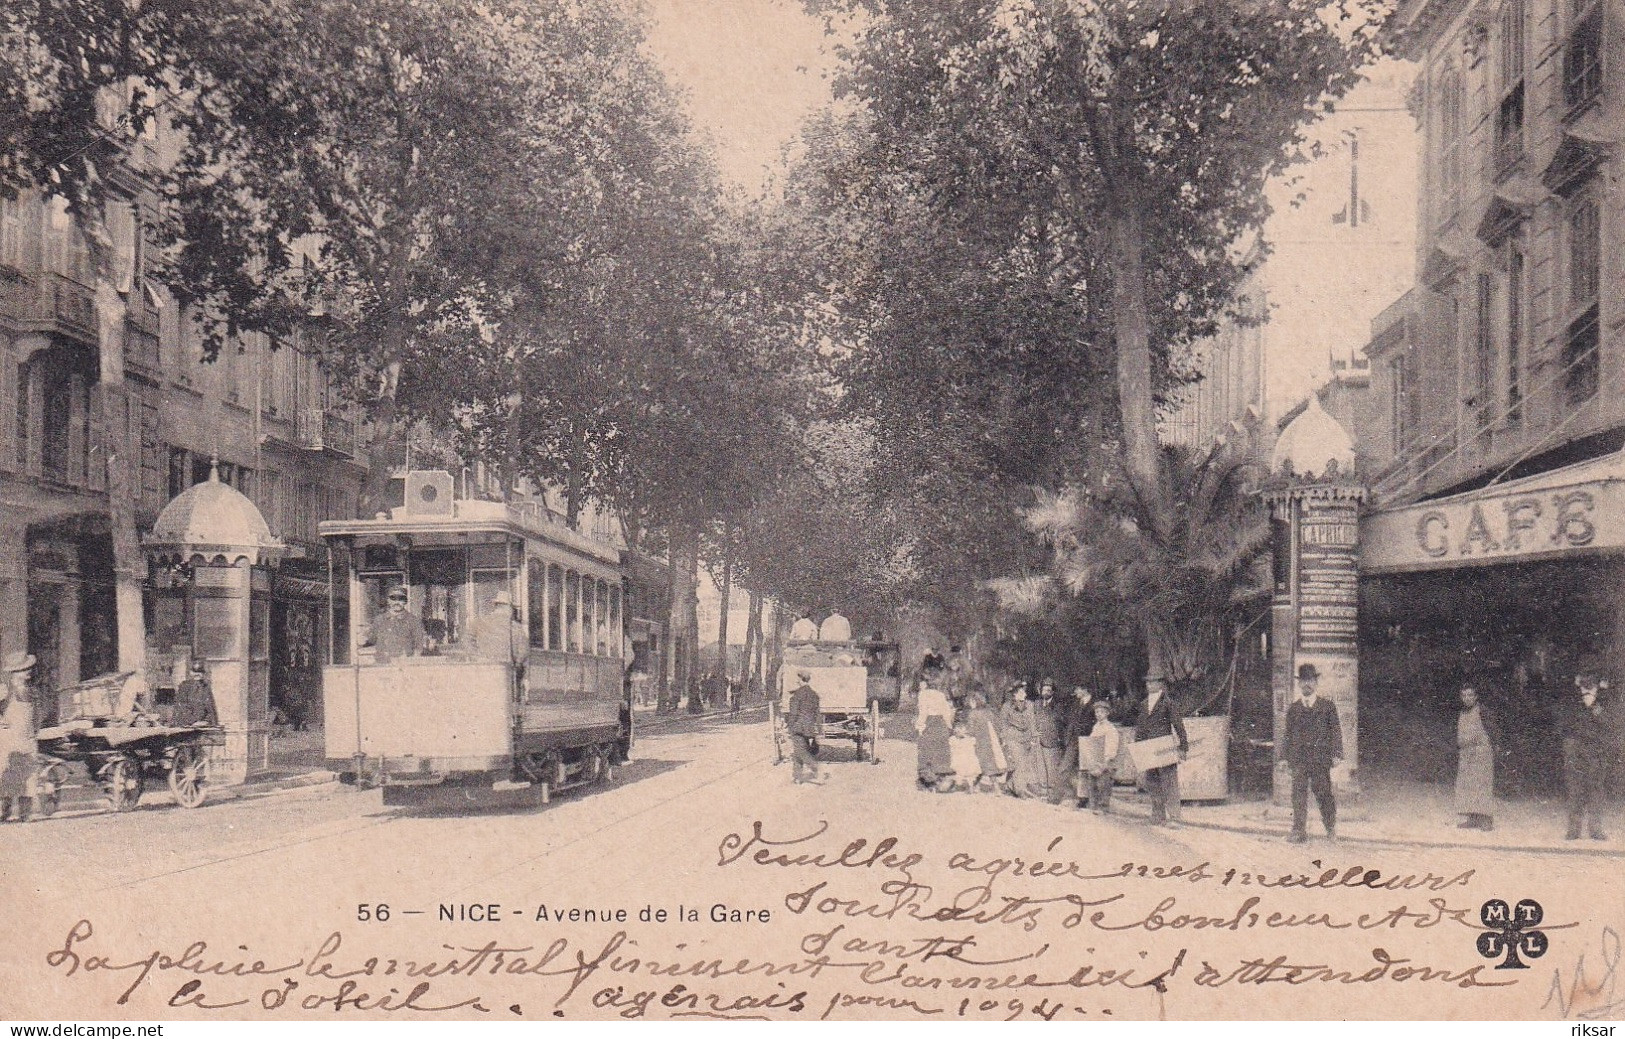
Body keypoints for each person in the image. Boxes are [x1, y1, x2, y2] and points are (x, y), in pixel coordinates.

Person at [1281, 662, 1342, 843]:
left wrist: (1337, 753)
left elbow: (1336, 731)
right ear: (1299, 684)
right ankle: (1299, 832)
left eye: (1311, 680)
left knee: (1324, 794)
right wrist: (1284, 758)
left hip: (1320, 759)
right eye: (1304, 681)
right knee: (1298, 795)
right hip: (1299, 759)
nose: (1307, 684)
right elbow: (1288, 735)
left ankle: (1330, 828)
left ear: (1316, 683)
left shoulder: (1327, 707)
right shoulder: (1294, 709)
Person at [1558, 665, 1617, 841]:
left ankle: (1595, 828)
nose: (1588, 679)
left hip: (1596, 749)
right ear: (1578, 678)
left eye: (1591, 675)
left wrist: (1596, 709)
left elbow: (1611, 723)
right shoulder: (1570, 698)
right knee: (1575, 789)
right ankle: (1574, 828)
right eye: (1584, 675)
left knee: (1596, 789)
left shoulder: (1605, 699)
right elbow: (1562, 721)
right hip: (1575, 748)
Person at [1133, 671, 1188, 825]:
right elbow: (1141, 728)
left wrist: (1183, 746)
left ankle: (1175, 817)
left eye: (1153, 682)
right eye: (1148, 682)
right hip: (1148, 747)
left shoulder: (1168, 703)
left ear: (1160, 684)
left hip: (1165, 746)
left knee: (1169, 781)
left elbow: (1178, 725)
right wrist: (1138, 748)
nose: (1149, 685)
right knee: (1152, 781)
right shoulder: (1144, 704)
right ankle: (1158, 815)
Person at [1454, 681, 1499, 831]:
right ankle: (1472, 818)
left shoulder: (1483, 711)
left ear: (1476, 696)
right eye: (1464, 695)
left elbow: (1493, 731)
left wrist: (1494, 747)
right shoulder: (1461, 712)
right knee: (1467, 786)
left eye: (1470, 695)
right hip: (1466, 754)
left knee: (1482, 785)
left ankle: (1486, 819)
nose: (1467, 698)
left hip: (1481, 753)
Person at [0, 651, 37, 823]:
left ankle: (25, 814)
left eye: (29, 668)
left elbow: (33, 714)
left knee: (28, 777)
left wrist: (35, 730)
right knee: (7, 775)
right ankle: (3, 812)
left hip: (27, 739)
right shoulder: (5, 690)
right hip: (10, 739)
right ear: (14, 672)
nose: (28, 671)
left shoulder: (31, 691)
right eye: (24, 669)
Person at [998, 681, 1041, 797]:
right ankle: (1020, 790)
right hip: (1013, 737)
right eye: (1021, 691)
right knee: (1019, 763)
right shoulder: (1007, 706)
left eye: (1024, 691)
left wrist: (1034, 737)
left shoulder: (1030, 705)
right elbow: (1002, 724)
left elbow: (1033, 722)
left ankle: (1008, 786)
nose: (1024, 693)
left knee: (1023, 764)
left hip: (1026, 738)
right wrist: (1004, 740)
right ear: (1015, 693)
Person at [916, 667, 955, 790]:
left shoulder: (923, 695)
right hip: (941, 724)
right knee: (941, 750)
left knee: (926, 750)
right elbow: (946, 712)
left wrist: (919, 726)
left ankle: (928, 780)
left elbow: (923, 713)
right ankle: (941, 779)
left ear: (926, 683)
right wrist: (949, 727)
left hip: (930, 723)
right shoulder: (941, 695)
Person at [964, 684, 1008, 791]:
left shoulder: (973, 714)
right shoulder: (989, 712)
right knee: (989, 766)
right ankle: (994, 787)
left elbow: (971, 730)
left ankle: (975, 786)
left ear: (975, 701)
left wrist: (966, 734)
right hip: (990, 743)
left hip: (978, 743)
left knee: (977, 764)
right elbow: (997, 726)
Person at [1059, 686, 1096, 807]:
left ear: (1086, 689)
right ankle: (1068, 796)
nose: (1075, 692)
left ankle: (1084, 799)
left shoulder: (1094, 704)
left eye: (1078, 689)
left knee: (1084, 770)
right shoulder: (1076, 703)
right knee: (1065, 768)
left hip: (1087, 740)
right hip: (1073, 740)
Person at [1082, 700, 1121, 814]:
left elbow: (1112, 746)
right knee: (1093, 784)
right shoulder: (1096, 727)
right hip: (1095, 760)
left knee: (1103, 784)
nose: (1098, 714)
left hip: (1105, 760)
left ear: (1107, 713)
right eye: (1097, 712)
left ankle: (1103, 807)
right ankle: (1093, 806)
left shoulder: (1110, 729)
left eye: (1101, 712)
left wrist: (1106, 761)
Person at [786, 669, 824, 784]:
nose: (796, 680)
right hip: (809, 728)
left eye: (798, 678)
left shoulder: (797, 695)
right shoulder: (814, 695)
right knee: (798, 750)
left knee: (800, 751)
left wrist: (790, 726)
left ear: (801, 679)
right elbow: (818, 713)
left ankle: (815, 767)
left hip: (798, 727)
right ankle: (797, 776)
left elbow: (793, 713)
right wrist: (819, 728)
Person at [370, 586, 426, 663]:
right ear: (388, 600)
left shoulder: (414, 621)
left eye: (401, 599)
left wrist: (412, 662)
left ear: (405, 601)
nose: (397, 602)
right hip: (382, 666)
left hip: (405, 665)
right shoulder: (379, 620)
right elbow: (371, 640)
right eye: (393, 598)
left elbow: (419, 646)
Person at [472, 590, 526, 664]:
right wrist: (517, 663)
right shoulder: (515, 626)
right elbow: (523, 651)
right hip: (506, 668)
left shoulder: (481, 622)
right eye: (512, 609)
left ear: (496, 606)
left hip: (483, 666)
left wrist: (477, 655)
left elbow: (467, 639)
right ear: (508, 608)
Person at [1034, 679, 1065, 801]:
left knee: (1051, 768)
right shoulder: (1037, 703)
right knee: (1040, 768)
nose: (1045, 692)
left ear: (1052, 692)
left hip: (1052, 742)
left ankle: (1052, 794)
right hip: (1038, 741)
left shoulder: (1058, 706)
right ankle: (1043, 792)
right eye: (1043, 690)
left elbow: (1059, 723)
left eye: (1048, 690)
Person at [172, 661, 219, 728]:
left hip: (202, 726)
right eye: (195, 672)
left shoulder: (206, 688)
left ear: (203, 674)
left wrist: (208, 722)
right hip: (185, 726)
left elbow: (211, 709)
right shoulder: (184, 686)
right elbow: (181, 708)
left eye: (200, 672)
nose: (197, 674)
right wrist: (193, 722)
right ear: (191, 672)